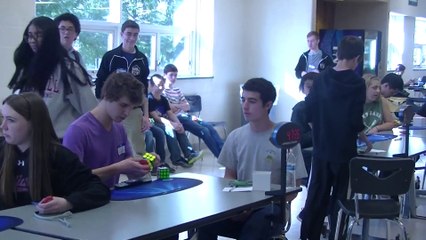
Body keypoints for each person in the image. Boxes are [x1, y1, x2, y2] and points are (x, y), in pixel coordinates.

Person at [197, 78, 307, 240]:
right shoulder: (236, 136)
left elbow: (294, 188)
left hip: (270, 207)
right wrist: (237, 206)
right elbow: (229, 177)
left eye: (252, 101)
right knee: (204, 220)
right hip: (241, 203)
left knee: (257, 224)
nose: (245, 106)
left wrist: (260, 202)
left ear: (268, 105)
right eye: (243, 100)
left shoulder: (284, 139)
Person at [300, 36, 372, 240]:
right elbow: (355, 119)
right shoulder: (357, 83)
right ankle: (337, 234)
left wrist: (318, 131)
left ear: (338, 53)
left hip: (322, 148)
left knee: (316, 196)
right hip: (344, 150)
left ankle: (308, 236)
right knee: (341, 199)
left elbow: (308, 109)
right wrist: (365, 140)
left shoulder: (321, 78)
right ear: (357, 57)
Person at [0, 92, 109, 214]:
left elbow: (98, 190)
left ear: (33, 123)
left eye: (11, 120)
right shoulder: (2, 151)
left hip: (43, 228)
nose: (3, 126)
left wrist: (67, 202)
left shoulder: (59, 156)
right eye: (2, 118)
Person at [8, 16, 97, 139]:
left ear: (50, 38)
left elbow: (90, 109)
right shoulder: (27, 67)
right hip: (30, 139)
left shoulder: (69, 69)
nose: (32, 40)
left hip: (58, 141)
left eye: (38, 35)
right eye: (30, 35)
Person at [63, 72, 154, 188]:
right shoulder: (77, 131)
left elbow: (130, 169)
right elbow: (72, 180)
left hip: (109, 199)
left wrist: (145, 164)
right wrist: (118, 168)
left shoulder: (119, 128)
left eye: (131, 107)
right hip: (85, 201)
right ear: (107, 96)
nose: (127, 113)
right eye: (123, 105)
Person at [96, 20, 150, 156]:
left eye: (135, 35)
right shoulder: (110, 56)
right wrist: (102, 106)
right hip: (112, 108)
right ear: (122, 34)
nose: (132, 38)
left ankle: (141, 176)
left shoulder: (142, 59)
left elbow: (144, 89)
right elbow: (100, 82)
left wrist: (146, 115)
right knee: (110, 144)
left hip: (133, 110)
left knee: (137, 147)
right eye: (129, 34)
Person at [162, 64, 224, 158]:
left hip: (186, 116)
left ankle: (225, 154)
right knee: (204, 131)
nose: (174, 77)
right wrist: (179, 105)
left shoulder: (177, 90)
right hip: (177, 118)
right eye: (171, 75)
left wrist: (176, 106)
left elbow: (187, 107)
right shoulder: (163, 91)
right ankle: (220, 156)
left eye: (175, 75)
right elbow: (168, 108)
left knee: (210, 127)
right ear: (165, 75)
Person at [148, 74, 203, 168]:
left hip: (163, 121)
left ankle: (189, 154)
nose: (161, 87)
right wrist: (171, 124)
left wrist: (178, 124)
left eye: (162, 85)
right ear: (151, 85)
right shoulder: (149, 99)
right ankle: (176, 159)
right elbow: (156, 117)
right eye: (158, 85)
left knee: (178, 127)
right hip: (152, 122)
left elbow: (170, 114)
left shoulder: (164, 99)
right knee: (170, 129)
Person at [291, 72, 319, 179]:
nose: (312, 91)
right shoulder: (300, 109)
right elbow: (297, 139)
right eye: (308, 87)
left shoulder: (327, 108)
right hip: (307, 154)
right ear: (302, 89)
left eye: (315, 87)